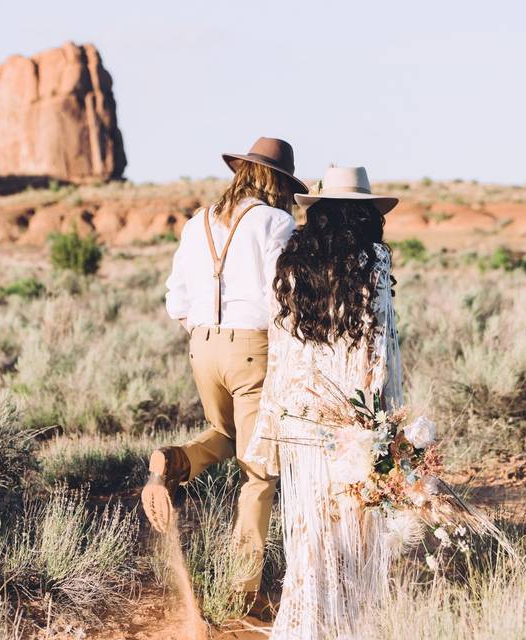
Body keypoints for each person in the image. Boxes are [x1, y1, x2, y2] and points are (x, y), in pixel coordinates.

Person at [142, 137, 308, 606]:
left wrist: (203, 327)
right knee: (259, 474)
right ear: (277, 181)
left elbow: (175, 300)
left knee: (225, 434)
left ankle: (172, 461)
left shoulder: (198, 223)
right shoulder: (276, 222)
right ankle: (244, 588)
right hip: (251, 347)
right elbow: (283, 292)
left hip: (202, 345)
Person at [243, 166, 402, 639]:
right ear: (365, 214)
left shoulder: (290, 263)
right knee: (352, 536)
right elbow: (377, 351)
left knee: (308, 537)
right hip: (349, 426)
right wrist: (380, 428)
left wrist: (274, 423)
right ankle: (348, 627)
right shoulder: (371, 261)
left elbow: (283, 350)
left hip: (300, 425)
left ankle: (303, 626)